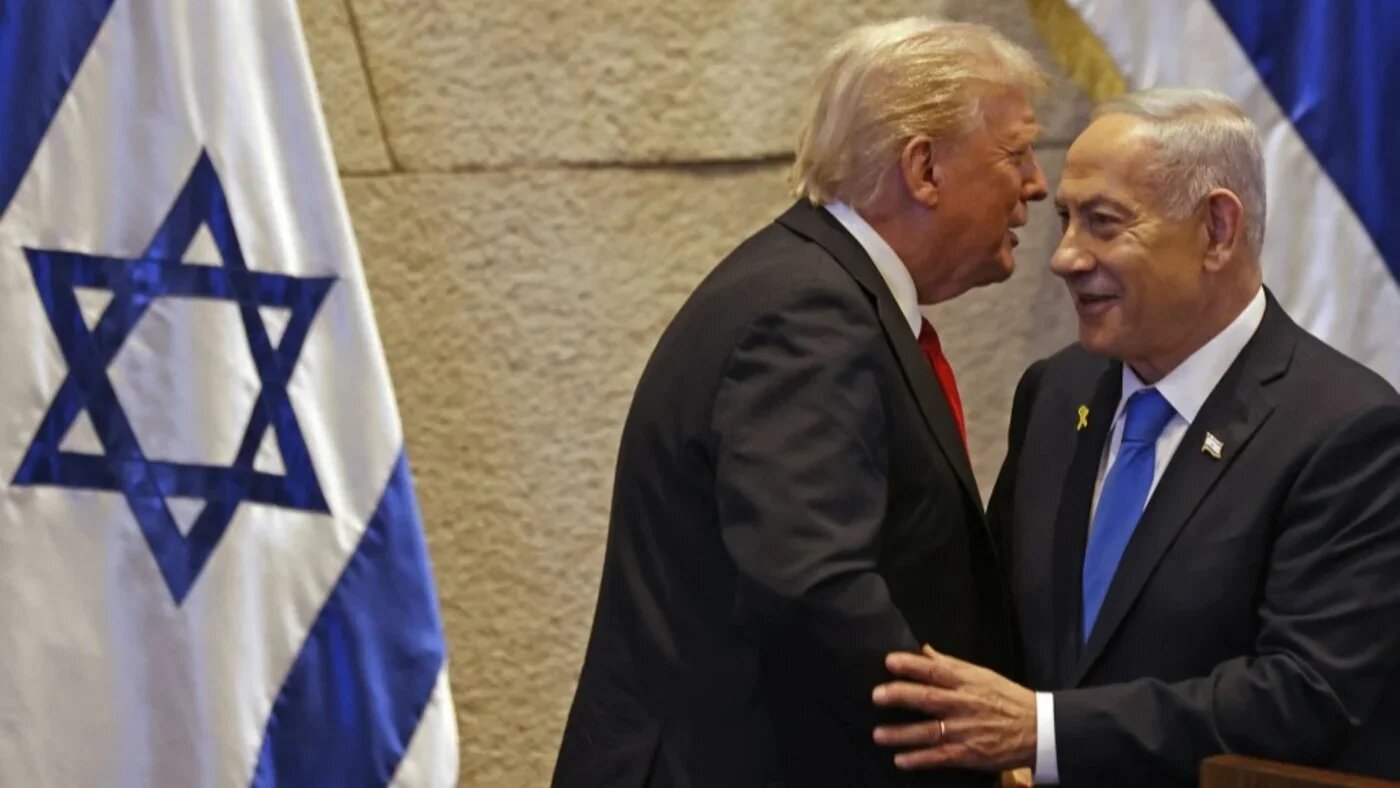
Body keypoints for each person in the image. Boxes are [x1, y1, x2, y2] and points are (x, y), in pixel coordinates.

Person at [551, 17, 1049, 788]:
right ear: (924, 168)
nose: (1036, 185)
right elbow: (812, 586)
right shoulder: (808, 316)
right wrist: (965, 736)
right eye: (1016, 153)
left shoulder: (815, 289)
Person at [870, 89, 1400, 786]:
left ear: (1216, 229)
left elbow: (1304, 695)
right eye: (1064, 219)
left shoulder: (1347, 430)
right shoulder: (1056, 396)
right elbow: (996, 616)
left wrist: (1046, 732)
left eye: (1103, 223)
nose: (1064, 257)